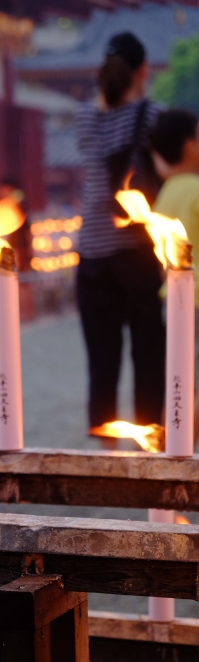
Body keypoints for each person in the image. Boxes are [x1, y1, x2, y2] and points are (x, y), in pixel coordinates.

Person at [76, 32, 165, 430]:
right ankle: (151, 438)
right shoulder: (152, 115)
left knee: (101, 358)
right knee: (147, 353)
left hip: (91, 252)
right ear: (143, 70)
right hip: (135, 250)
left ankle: (104, 444)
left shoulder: (83, 118)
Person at [149, 108, 199, 440]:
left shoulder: (164, 193)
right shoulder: (196, 188)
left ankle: (175, 447)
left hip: (175, 299)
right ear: (189, 145)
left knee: (180, 379)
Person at [0, 175, 34, 320]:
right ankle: (25, 312)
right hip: (18, 248)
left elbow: (23, 229)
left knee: (21, 281)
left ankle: (26, 313)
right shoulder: (17, 202)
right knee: (21, 280)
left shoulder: (14, 204)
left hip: (18, 248)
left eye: (2, 189)